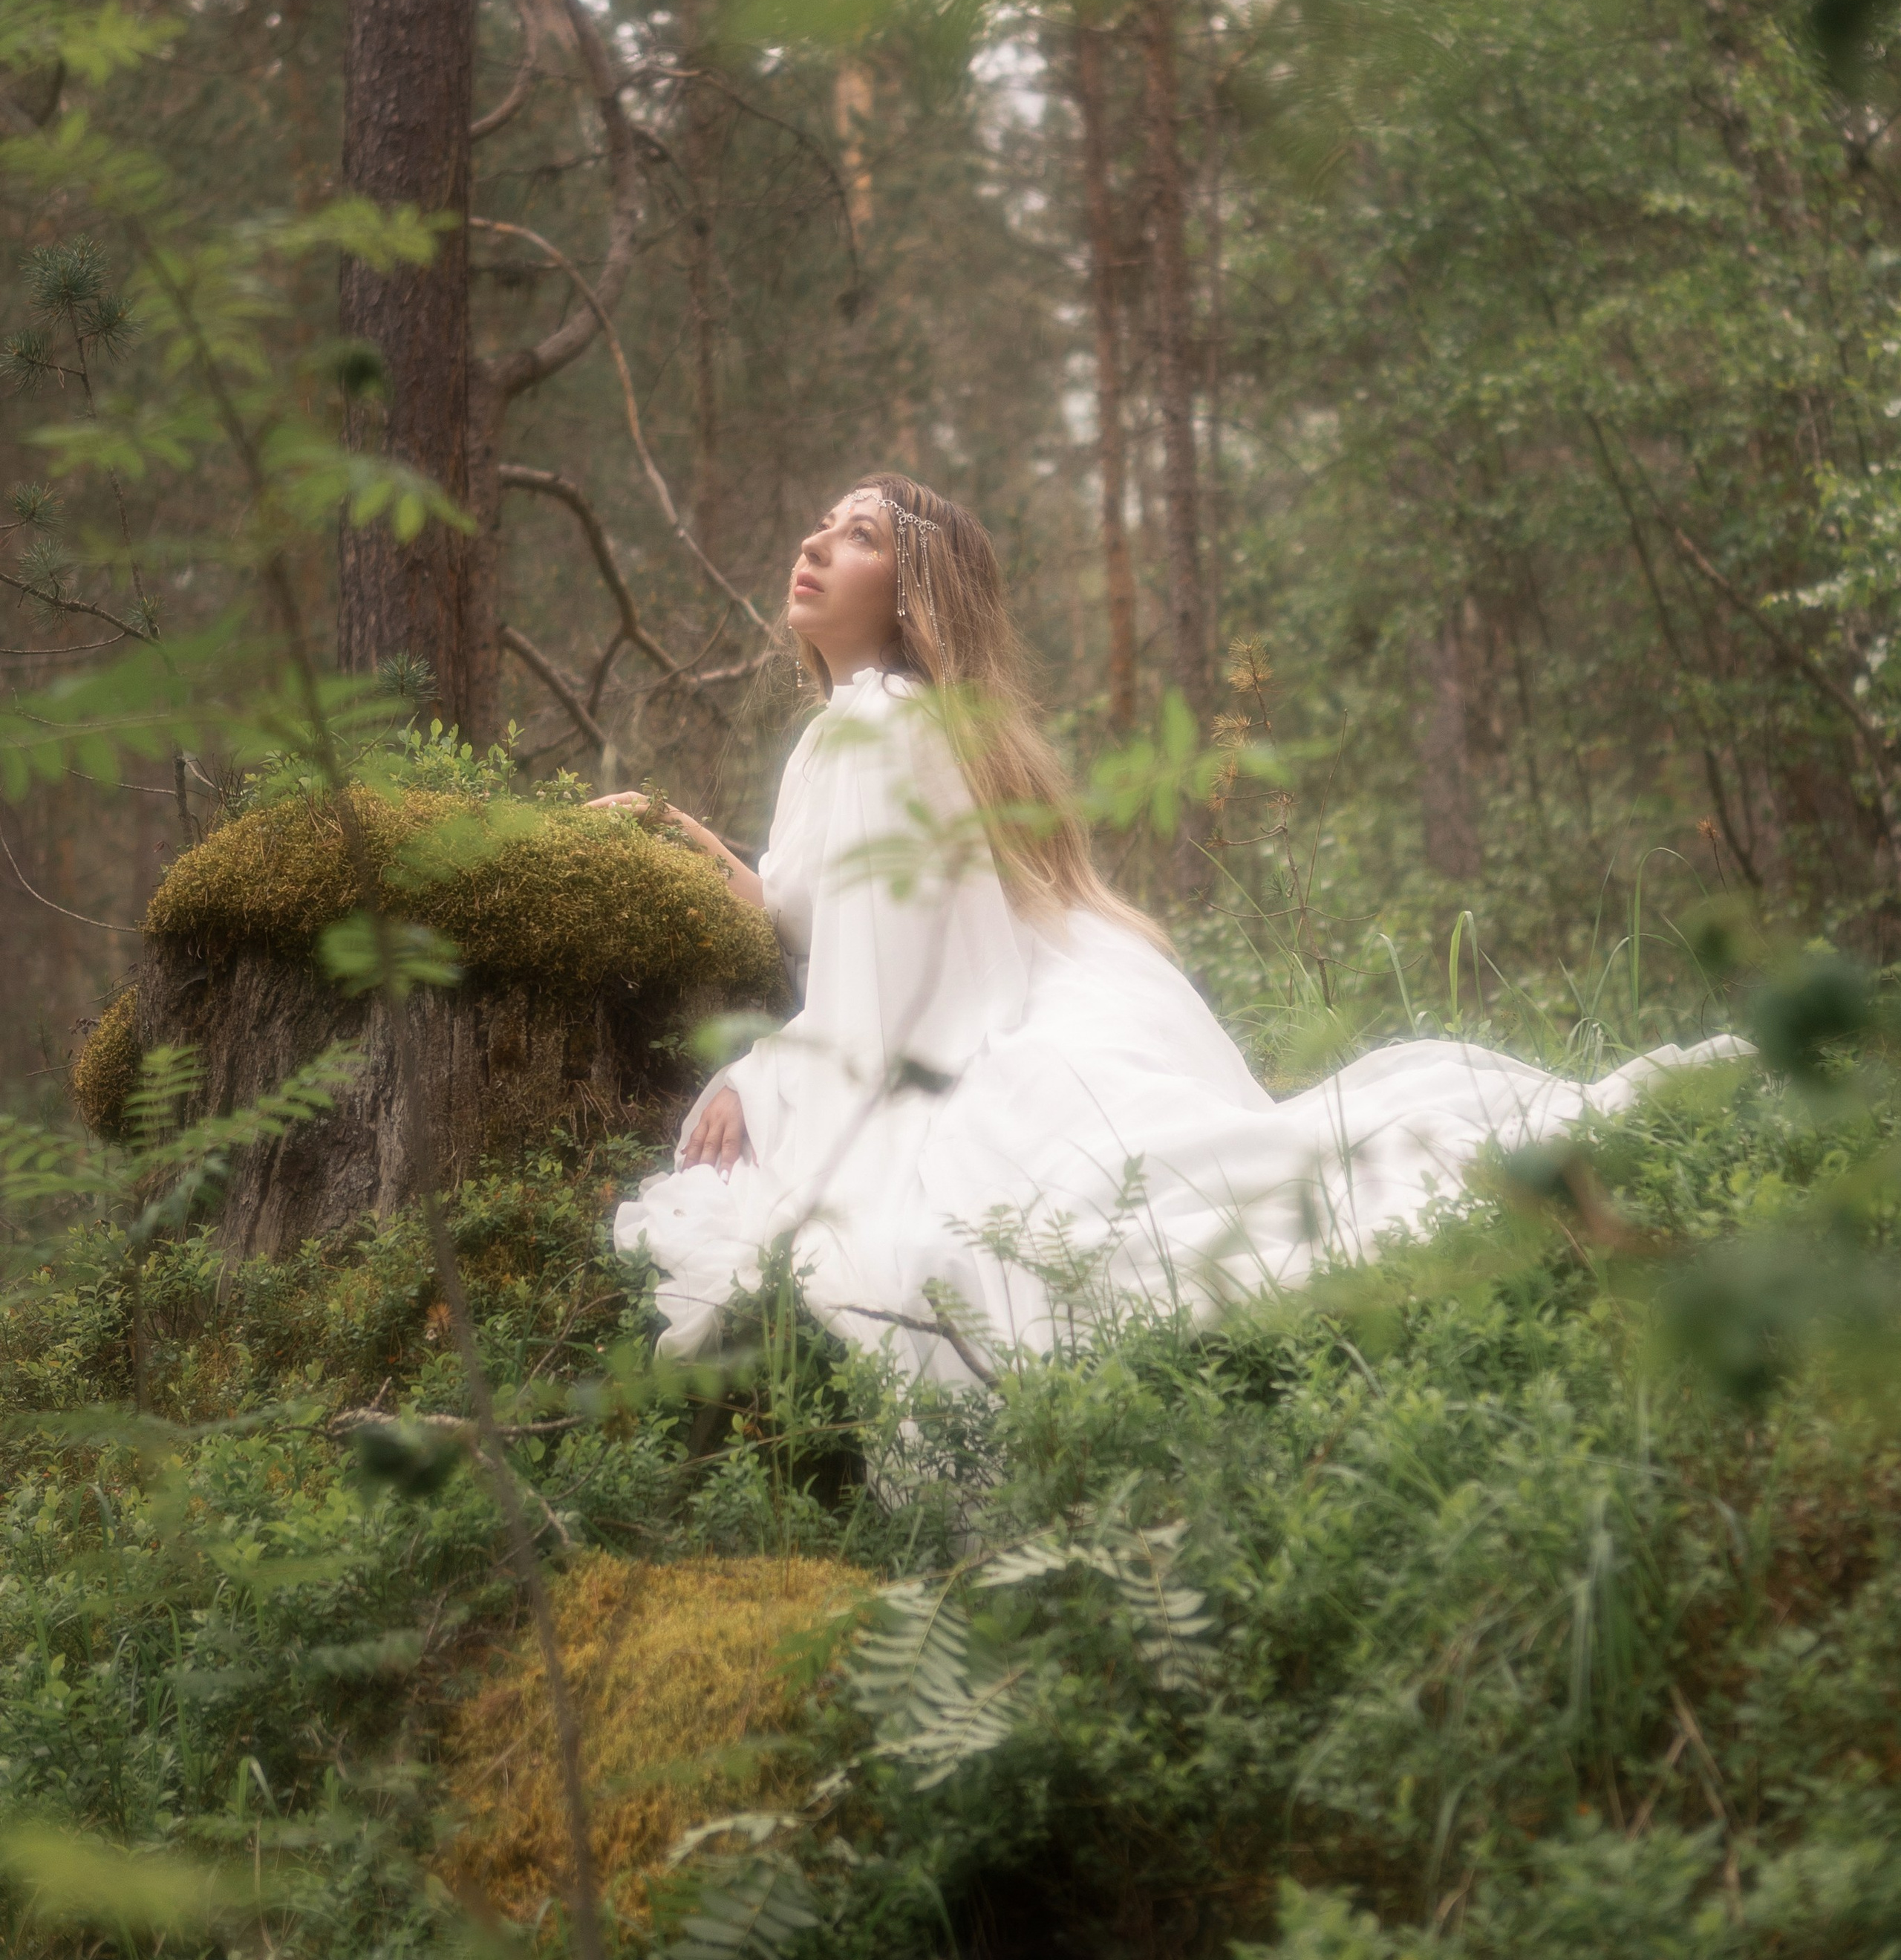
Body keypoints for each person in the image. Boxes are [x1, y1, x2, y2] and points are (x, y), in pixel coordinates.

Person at [594, 475, 1744, 1384]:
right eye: (819, 526)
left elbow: (892, 990)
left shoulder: (891, 728)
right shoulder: (849, 731)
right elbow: (801, 904)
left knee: (1100, 1222)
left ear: (915, 593)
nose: (813, 546)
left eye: (857, 536)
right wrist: (669, 825)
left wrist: (763, 1071)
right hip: (1080, 991)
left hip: (1043, 1023)